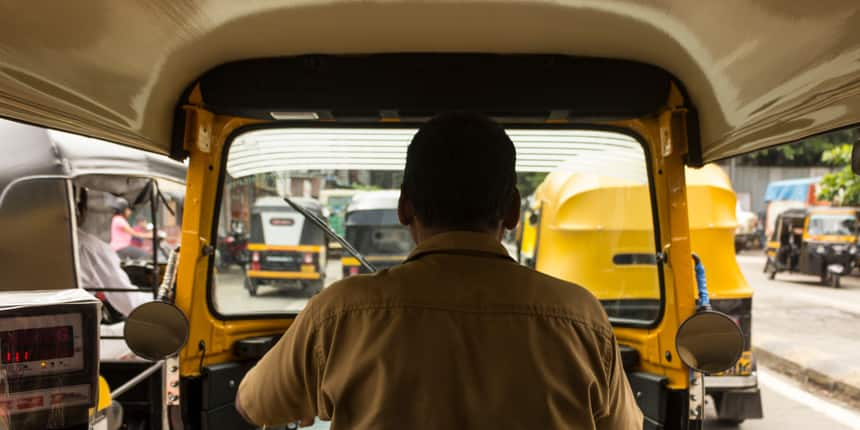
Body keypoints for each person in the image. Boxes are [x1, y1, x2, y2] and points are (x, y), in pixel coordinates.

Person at [236, 113, 643, 429]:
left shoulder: (340, 313)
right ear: (513, 210)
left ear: (404, 207)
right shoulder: (581, 318)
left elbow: (253, 404)